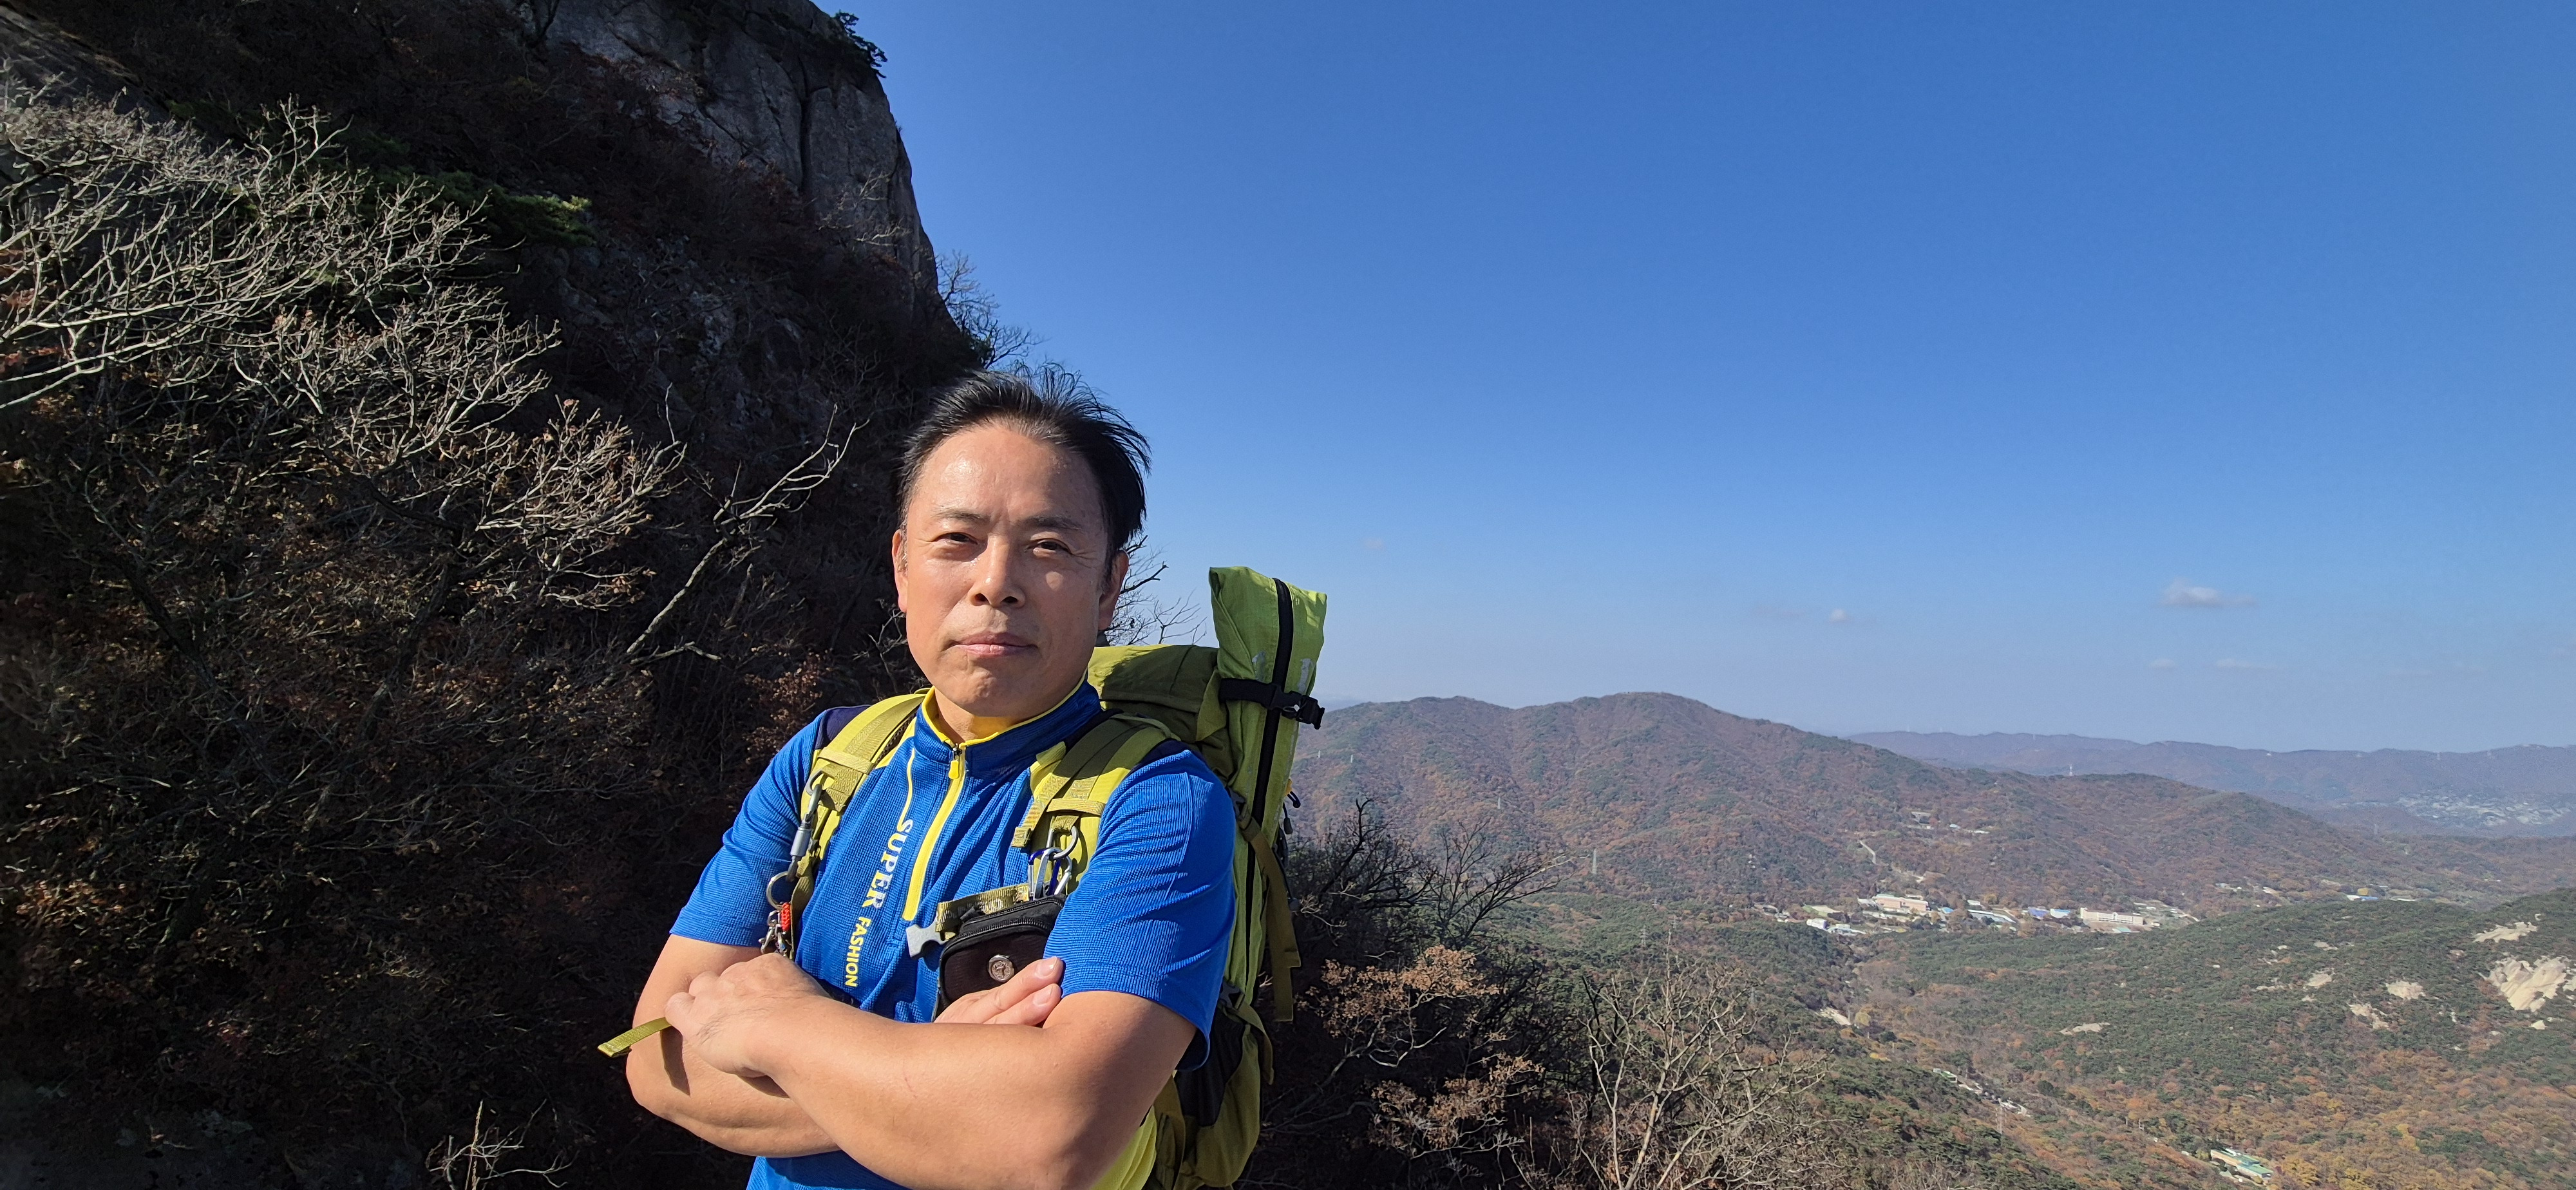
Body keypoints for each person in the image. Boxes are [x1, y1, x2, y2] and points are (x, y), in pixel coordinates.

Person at [625, 372, 1236, 1190]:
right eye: (957, 540)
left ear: (1109, 590)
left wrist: (780, 1026)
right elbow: (656, 1059)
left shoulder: (1156, 800)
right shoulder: (827, 760)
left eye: (1050, 547)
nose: (996, 582)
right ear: (903, 568)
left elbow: (1053, 1140)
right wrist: (951, 1074)